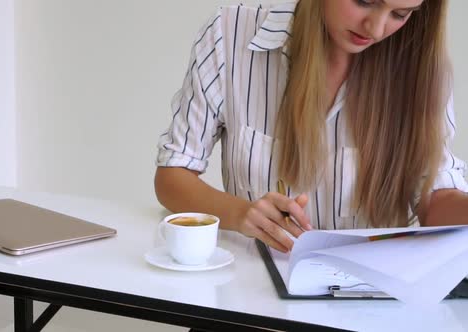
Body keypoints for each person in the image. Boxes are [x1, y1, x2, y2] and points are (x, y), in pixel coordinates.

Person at [154, 0, 468, 253]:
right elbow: (172, 176)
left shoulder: (424, 72)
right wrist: (241, 214)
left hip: (364, 313)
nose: (375, 28)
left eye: (400, 14)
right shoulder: (230, 34)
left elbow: (435, 195)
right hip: (245, 302)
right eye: (364, 1)